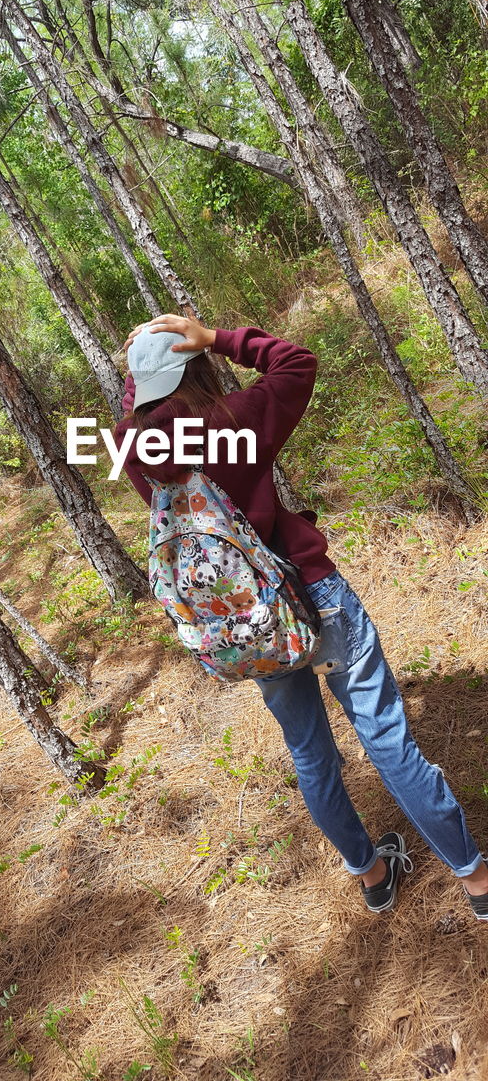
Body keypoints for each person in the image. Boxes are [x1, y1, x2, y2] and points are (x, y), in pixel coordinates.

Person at [114, 313, 488, 918]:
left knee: (311, 754)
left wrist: (141, 368)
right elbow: (296, 362)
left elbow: (135, 415)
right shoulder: (235, 420)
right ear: (198, 365)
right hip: (313, 595)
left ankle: (370, 875)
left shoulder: (136, 450)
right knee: (386, 741)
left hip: (250, 622)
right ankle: (477, 881)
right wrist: (216, 338)